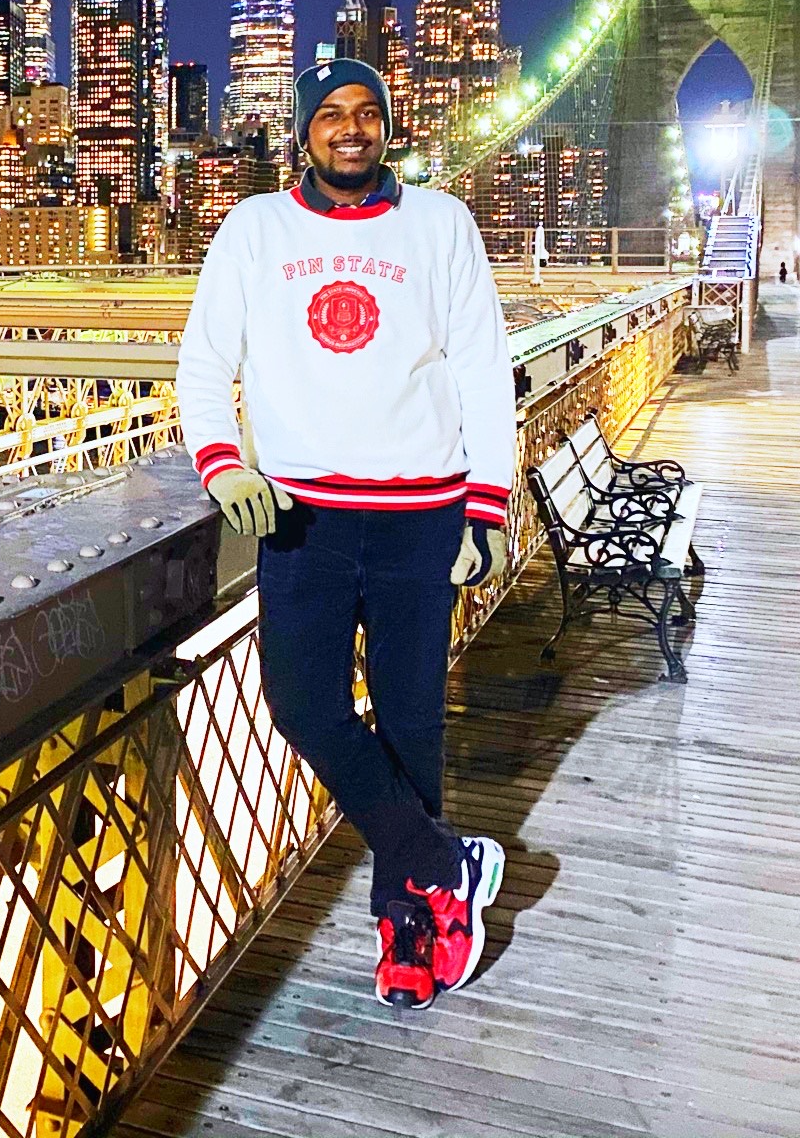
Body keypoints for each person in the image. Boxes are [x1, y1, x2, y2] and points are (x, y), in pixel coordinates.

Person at [175, 57, 517, 1011]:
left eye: (367, 113)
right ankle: (441, 861)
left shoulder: (442, 224)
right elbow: (204, 364)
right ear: (303, 132)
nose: (351, 130)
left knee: (412, 725)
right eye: (331, 116)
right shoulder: (253, 229)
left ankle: (412, 925)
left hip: (423, 516)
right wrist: (221, 464)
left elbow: (486, 367)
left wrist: (489, 504)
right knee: (300, 706)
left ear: (387, 125)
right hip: (302, 520)